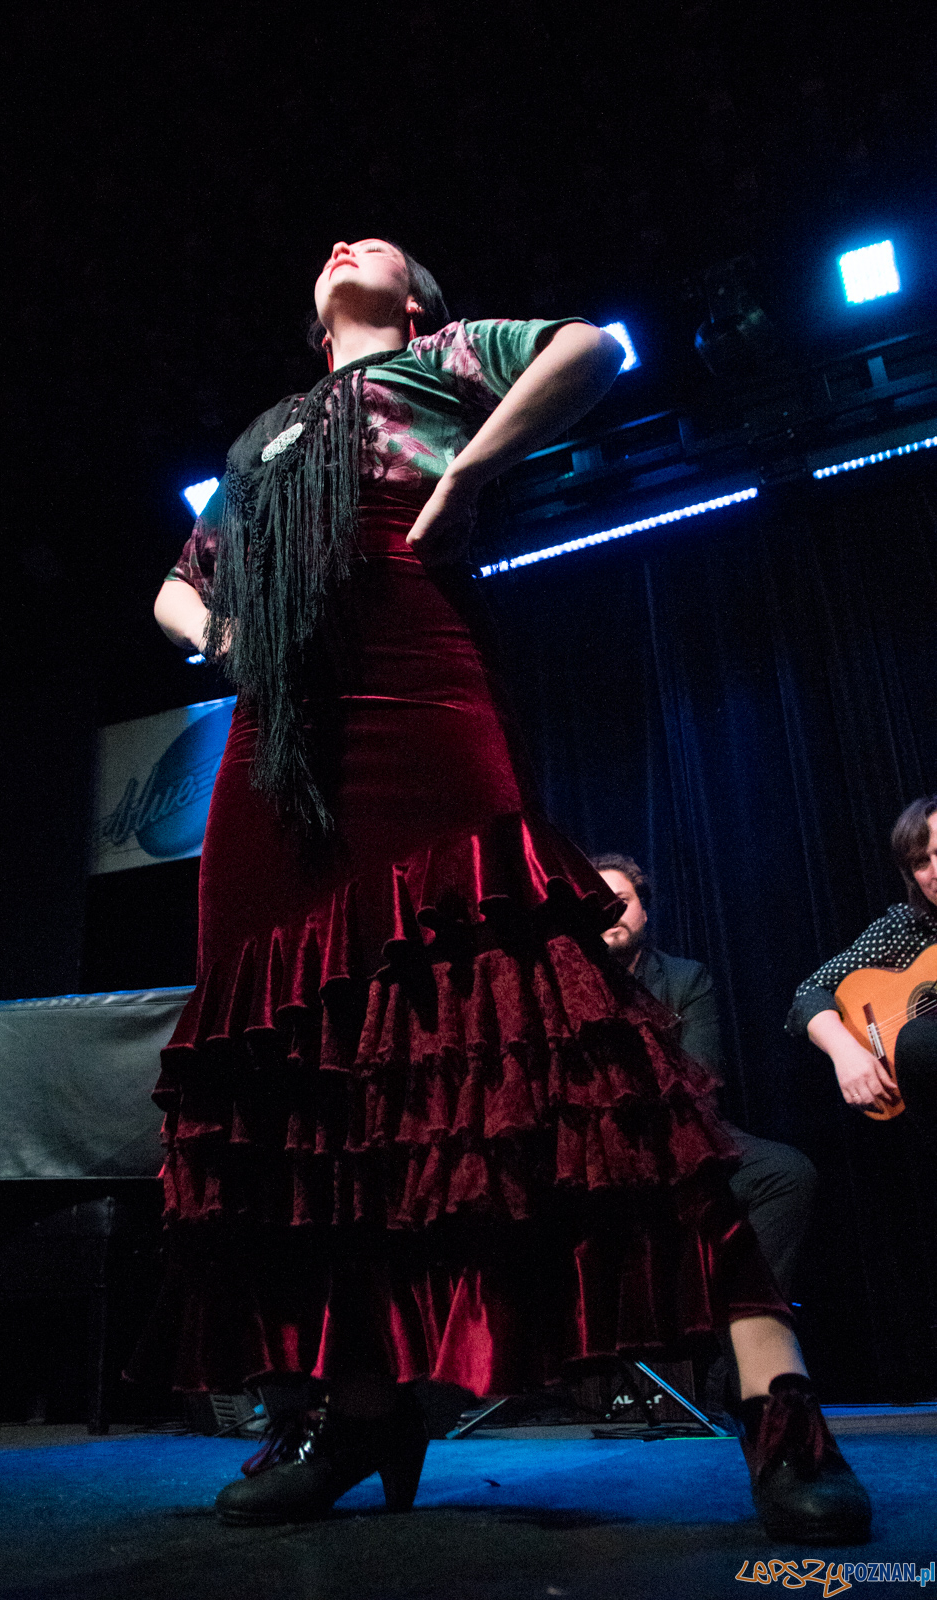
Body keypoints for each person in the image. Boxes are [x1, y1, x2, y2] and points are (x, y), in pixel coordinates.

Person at [146, 238, 870, 1541]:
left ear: (414, 296)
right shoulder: (262, 436)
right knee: (300, 1090)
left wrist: (475, 461)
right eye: (323, 246)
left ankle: (776, 1405)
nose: (334, 245)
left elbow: (590, 346)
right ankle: (349, 1408)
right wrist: (223, 633)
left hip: (419, 700)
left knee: (568, 1061)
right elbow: (174, 586)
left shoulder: (441, 356)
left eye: (371, 242)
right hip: (276, 757)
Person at [592, 853, 819, 1410]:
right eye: (597, 906)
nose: (611, 914)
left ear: (645, 911)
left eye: (623, 901)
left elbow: (701, 1076)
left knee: (787, 1173)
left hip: (683, 1138)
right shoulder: (558, 985)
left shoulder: (684, 977)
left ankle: (741, 1352)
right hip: (595, 1152)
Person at [787, 796, 937, 1145]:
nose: (935, 872)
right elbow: (810, 991)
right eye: (920, 862)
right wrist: (845, 1050)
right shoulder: (904, 926)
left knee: (915, 1041)